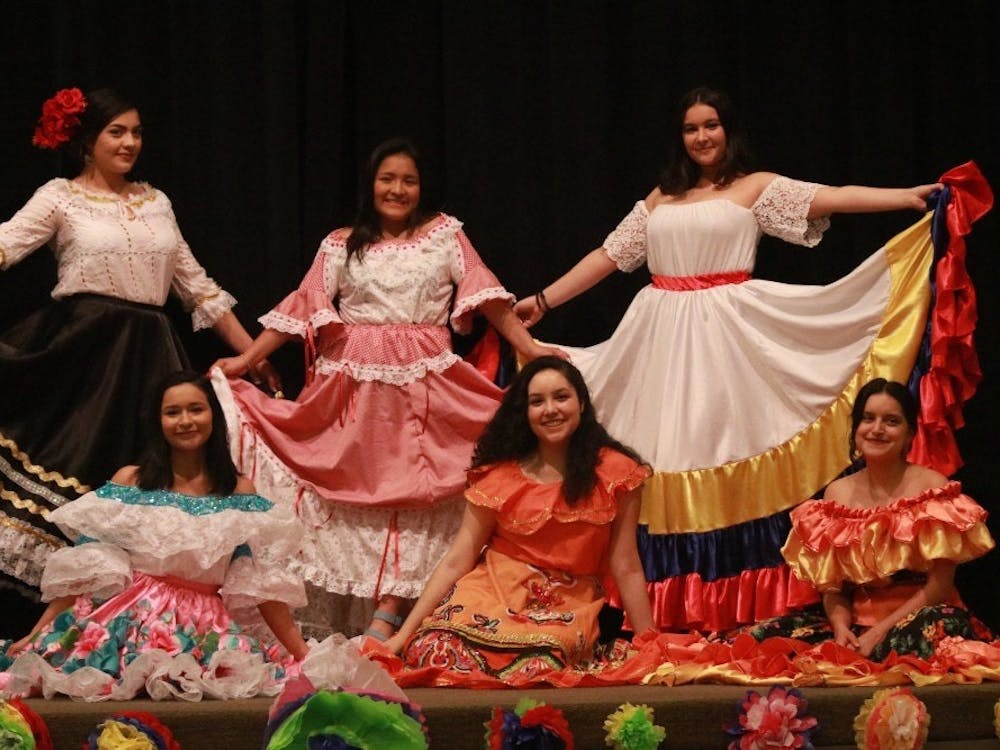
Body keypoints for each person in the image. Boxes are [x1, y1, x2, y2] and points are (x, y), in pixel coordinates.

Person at [512, 86, 959, 633]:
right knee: (664, 453)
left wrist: (905, 197)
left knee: (726, 442)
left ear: (728, 131)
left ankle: (744, 604)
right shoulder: (659, 199)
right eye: (691, 128)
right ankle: (664, 612)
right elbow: (608, 256)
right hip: (659, 338)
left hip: (728, 335)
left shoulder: (754, 188)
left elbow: (834, 195)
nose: (702, 137)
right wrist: (542, 300)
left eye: (711, 125)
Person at [212, 137, 562, 641]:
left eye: (408, 180)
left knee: (420, 492)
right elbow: (304, 304)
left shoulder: (444, 235)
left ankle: (392, 608)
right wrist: (247, 359)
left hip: (426, 382)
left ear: (422, 188)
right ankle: (362, 611)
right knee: (355, 493)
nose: (397, 189)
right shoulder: (340, 241)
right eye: (387, 179)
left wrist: (531, 345)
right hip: (352, 389)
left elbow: (486, 296)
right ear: (371, 184)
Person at [0, 88, 276, 630]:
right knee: (83, 475)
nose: (130, 143)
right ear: (87, 141)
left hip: (148, 354)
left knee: (142, 480)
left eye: (137, 132)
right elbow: (5, 243)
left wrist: (250, 352)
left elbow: (196, 286)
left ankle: (139, 621)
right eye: (117, 132)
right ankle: (55, 627)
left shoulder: (156, 201)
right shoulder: (60, 197)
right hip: (83, 354)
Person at [0, 371, 308, 700]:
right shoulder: (132, 480)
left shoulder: (238, 490)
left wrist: (302, 654)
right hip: (130, 619)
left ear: (213, 416)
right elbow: (89, 563)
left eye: (196, 409)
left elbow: (256, 580)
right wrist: (37, 632)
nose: (185, 420)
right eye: (172, 412)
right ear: (158, 421)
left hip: (203, 627)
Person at [379, 356, 655, 684]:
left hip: (565, 605)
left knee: (540, 665)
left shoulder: (616, 473)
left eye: (561, 397)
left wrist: (649, 643)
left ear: (581, 403)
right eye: (537, 402)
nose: (550, 409)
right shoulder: (498, 478)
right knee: (432, 648)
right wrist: (403, 634)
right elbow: (457, 560)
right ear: (525, 413)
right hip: (489, 592)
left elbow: (626, 565)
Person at [742, 378, 995, 661]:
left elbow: (939, 586)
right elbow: (833, 586)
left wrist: (880, 632)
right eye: (868, 419)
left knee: (918, 634)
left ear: (909, 434)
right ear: (856, 428)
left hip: (921, 618)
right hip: (858, 624)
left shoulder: (931, 486)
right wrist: (841, 628)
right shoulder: (837, 492)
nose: (877, 429)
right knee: (765, 636)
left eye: (891, 421)